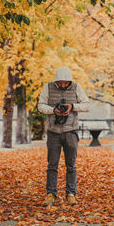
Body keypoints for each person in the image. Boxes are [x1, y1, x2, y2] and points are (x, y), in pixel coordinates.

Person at [38, 66, 90, 206]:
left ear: (69, 81)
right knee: (52, 165)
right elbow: (40, 106)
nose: (62, 84)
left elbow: (86, 105)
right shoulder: (47, 87)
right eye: (60, 82)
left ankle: (71, 194)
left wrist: (72, 107)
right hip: (53, 132)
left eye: (65, 82)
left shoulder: (77, 87)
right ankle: (51, 194)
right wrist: (53, 110)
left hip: (71, 131)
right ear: (56, 81)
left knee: (71, 165)